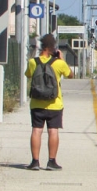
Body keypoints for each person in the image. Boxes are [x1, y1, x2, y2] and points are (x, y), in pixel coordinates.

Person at [25, 33, 72, 171]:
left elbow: (28, 75)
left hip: (36, 103)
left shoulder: (33, 62)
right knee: (53, 131)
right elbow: (70, 74)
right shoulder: (59, 63)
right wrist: (61, 59)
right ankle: (51, 161)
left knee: (36, 131)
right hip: (55, 104)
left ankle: (35, 162)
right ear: (53, 47)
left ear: (42, 46)